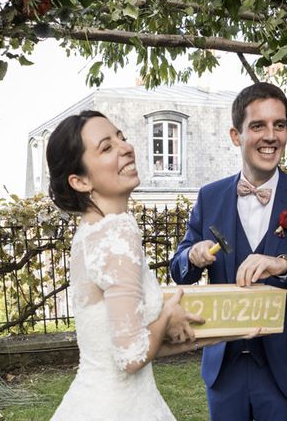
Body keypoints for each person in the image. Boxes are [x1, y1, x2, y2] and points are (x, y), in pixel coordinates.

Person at [46, 110, 256, 421]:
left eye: (122, 137)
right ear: (80, 180)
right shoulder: (116, 232)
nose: (125, 147)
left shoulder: (90, 232)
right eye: (106, 147)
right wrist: (168, 313)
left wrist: (224, 332)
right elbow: (131, 356)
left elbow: (129, 345)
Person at [170, 82, 287, 421]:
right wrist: (192, 256)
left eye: (279, 125)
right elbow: (178, 269)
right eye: (258, 125)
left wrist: (282, 265)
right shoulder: (210, 196)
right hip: (225, 365)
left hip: (283, 367)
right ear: (236, 135)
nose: (271, 136)